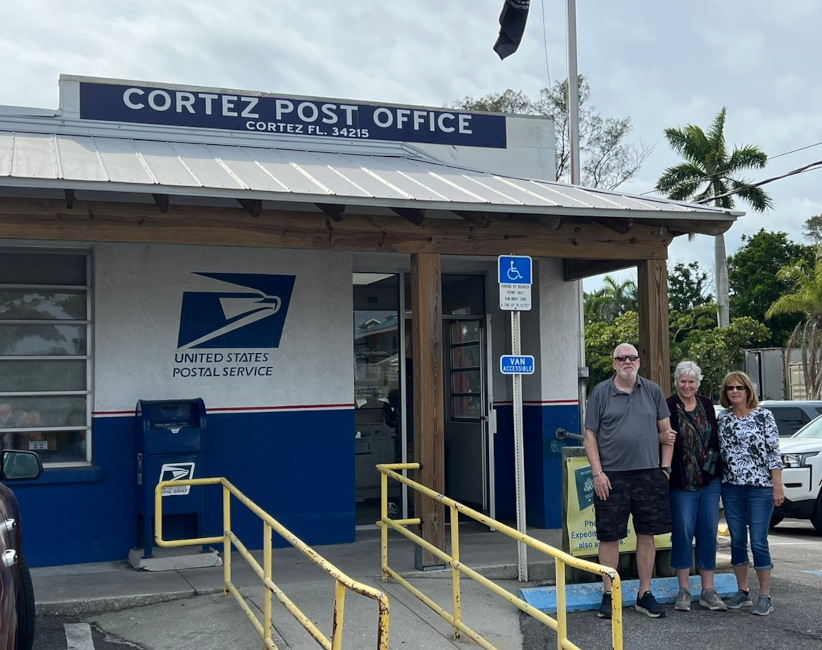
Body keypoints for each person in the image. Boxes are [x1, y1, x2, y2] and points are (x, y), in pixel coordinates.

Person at [584, 343, 675, 619]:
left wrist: (665, 469)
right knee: (609, 536)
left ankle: (644, 594)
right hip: (611, 476)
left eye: (632, 357)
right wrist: (598, 473)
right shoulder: (600, 392)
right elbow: (590, 435)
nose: (627, 362)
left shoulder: (653, 391)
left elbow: (667, 432)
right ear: (614, 363)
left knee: (646, 535)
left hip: (649, 473)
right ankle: (609, 594)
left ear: (638, 362)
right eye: (621, 358)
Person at [717, 371, 783, 616]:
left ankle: (765, 595)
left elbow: (774, 452)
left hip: (760, 488)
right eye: (730, 388)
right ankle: (742, 591)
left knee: (758, 541)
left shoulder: (764, 416)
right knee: (736, 540)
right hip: (731, 487)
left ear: (748, 391)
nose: (735, 391)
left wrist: (778, 485)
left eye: (740, 387)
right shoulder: (723, 419)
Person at [666, 361, 726, 612]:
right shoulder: (669, 406)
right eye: (683, 381)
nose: (687, 386)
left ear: (698, 383)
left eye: (691, 381)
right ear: (676, 382)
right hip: (682, 481)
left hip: (709, 479)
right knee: (682, 532)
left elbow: (715, 438)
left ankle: (708, 590)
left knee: (708, 532)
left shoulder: (706, 405)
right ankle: (684, 589)